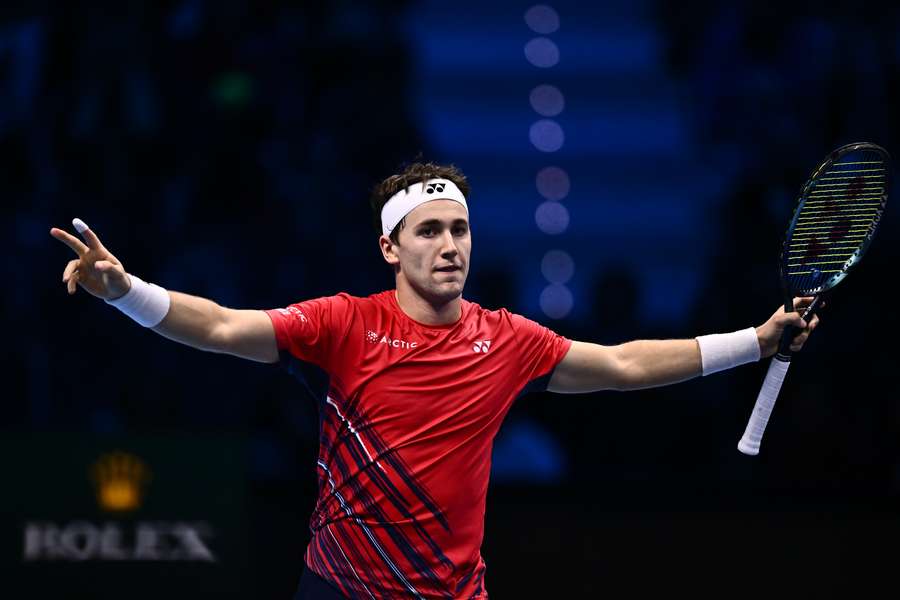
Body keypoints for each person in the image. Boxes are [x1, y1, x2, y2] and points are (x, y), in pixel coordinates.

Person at [50, 162, 819, 600]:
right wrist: (127, 292)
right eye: (429, 231)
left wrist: (752, 342)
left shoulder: (508, 340)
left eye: (459, 229)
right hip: (339, 591)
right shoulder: (341, 325)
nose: (449, 245)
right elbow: (217, 325)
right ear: (391, 247)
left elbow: (620, 365)